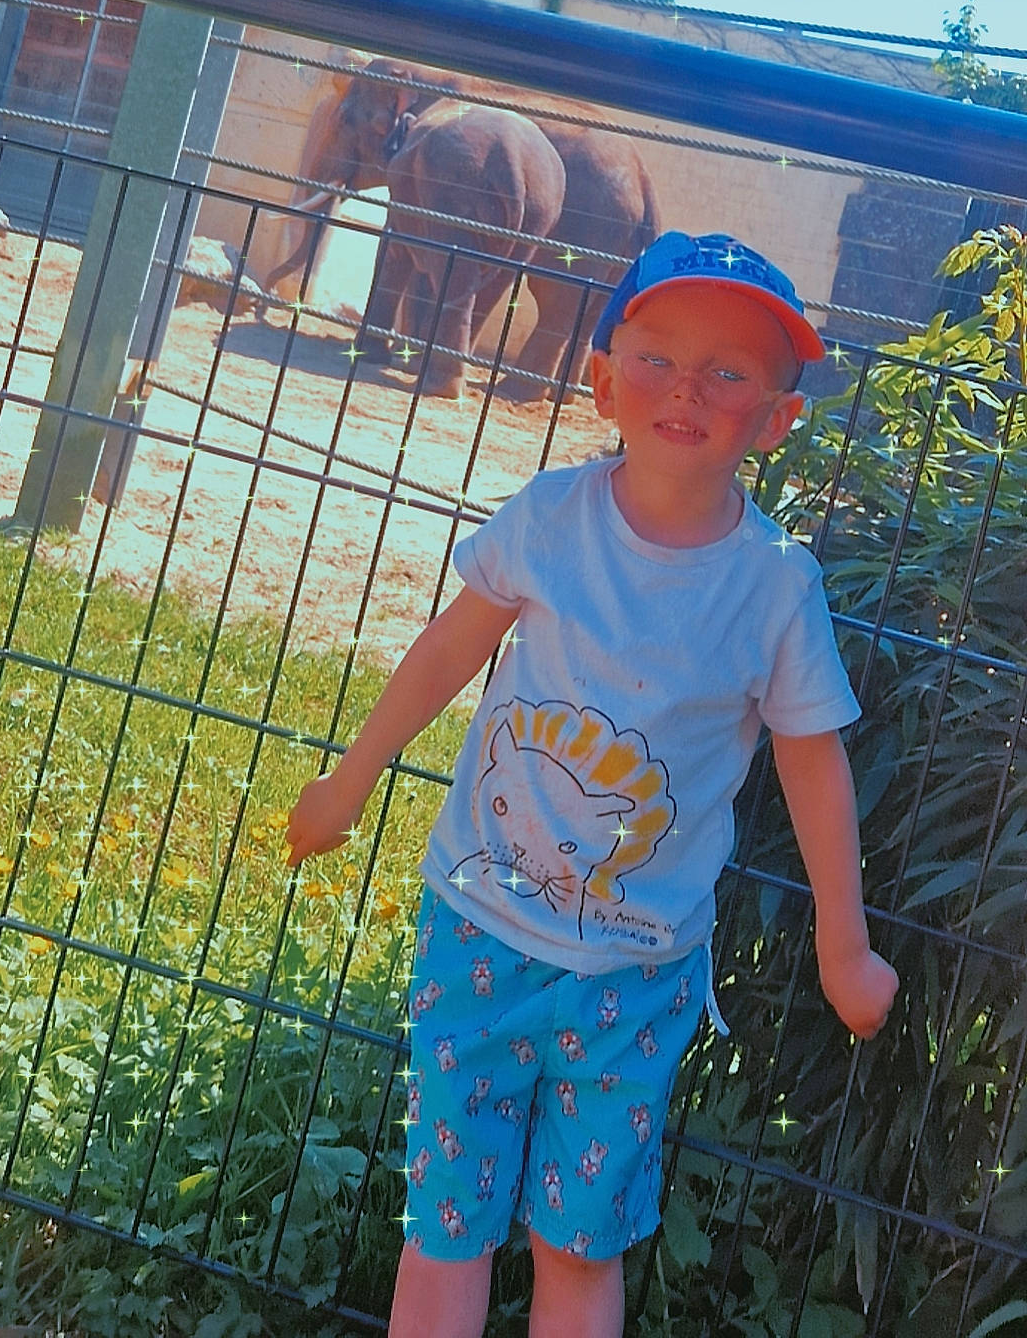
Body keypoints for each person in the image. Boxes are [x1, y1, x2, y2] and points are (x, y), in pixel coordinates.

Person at [287, 231, 899, 1338]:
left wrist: (841, 948)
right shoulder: (551, 517)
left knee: (580, 1241)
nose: (688, 389)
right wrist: (352, 778)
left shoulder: (773, 588)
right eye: (658, 357)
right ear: (604, 382)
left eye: (729, 372)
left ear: (776, 419)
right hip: (478, 933)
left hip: (637, 972)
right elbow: (447, 647)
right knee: (448, 1226)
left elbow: (816, 767)